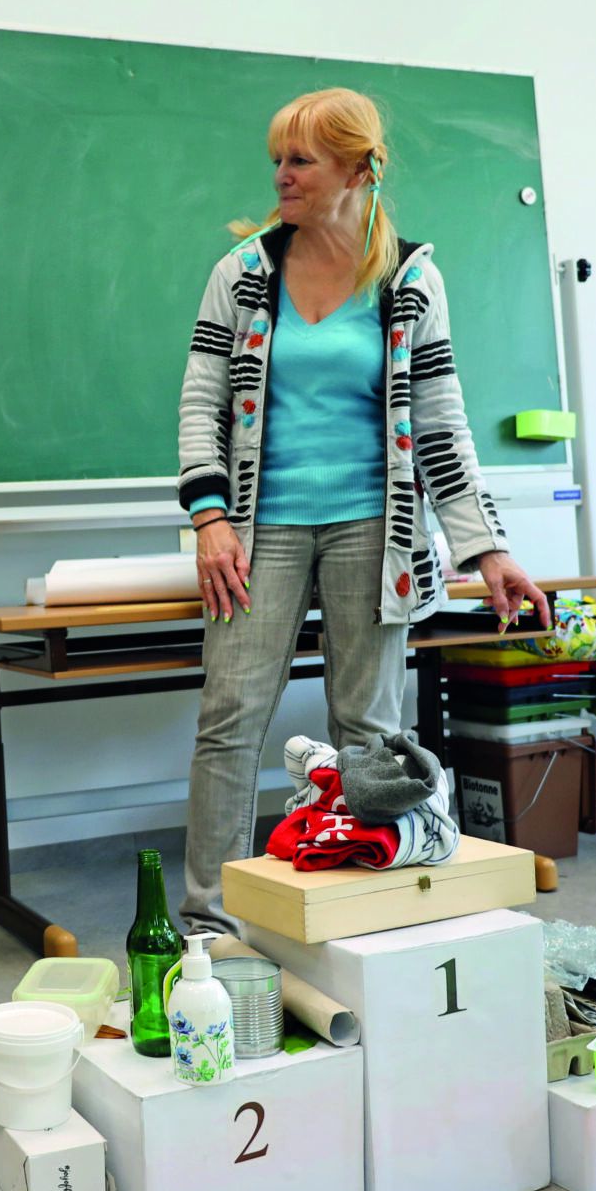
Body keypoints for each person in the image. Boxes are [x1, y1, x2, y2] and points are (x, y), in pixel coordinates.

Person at [175, 88, 550, 935]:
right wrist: (210, 518)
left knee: (368, 732)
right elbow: (201, 401)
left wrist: (486, 549)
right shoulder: (242, 273)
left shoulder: (410, 278)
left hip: (376, 535)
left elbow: (443, 421)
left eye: (300, 160)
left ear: (357, 168)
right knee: (228, 720)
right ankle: (208, 922)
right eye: (277, 158)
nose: (281, 175)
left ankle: (362, 903)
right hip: (254, 529)